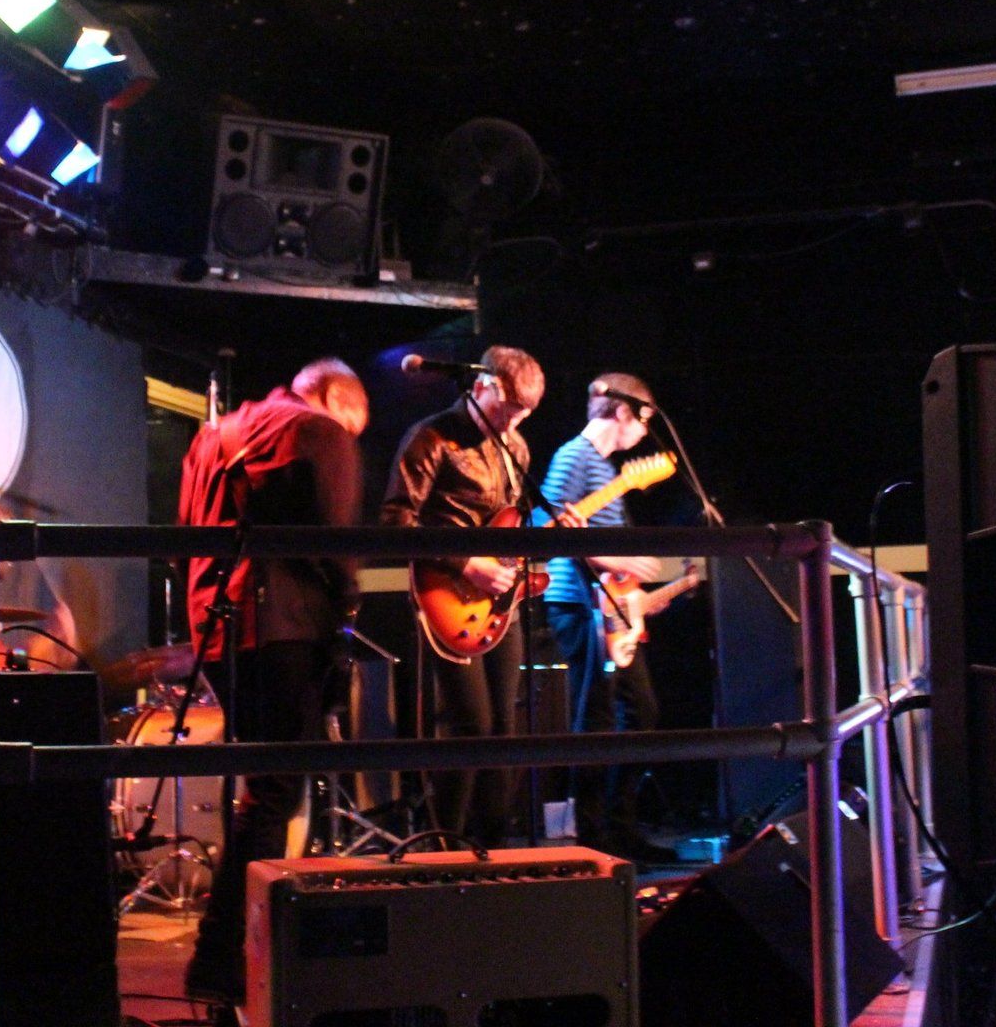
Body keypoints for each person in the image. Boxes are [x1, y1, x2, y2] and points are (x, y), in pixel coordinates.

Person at [177, 358, 369, 1007]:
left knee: (264, 787)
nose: (352, 440)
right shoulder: (318, 430)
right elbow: (335, 540)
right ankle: (222, 958)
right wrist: (347, 611)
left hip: (218, 624)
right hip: (284, 624)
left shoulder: (212, 436)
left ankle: (234, 953)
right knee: (276, 791)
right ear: (333, 396)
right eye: (354, 425)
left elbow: (185, 541)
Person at [381, 345, 544, 846]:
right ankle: (443, 845)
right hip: (445, 594)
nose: (512, 423)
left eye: (524, 415)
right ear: (480, 388)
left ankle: (492, 848)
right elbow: (393, 522)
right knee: (470, 725)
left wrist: (540, 551)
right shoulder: (431, 438)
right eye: (506, 410)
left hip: (500, 602)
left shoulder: (516, 450)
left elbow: (512, 525)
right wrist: (465, 563)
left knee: (504, 730)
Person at [536, 372, 677, 862]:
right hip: (577, 603)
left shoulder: (604, 468)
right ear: (622, 412)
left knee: (640, 711)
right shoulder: (574, 457)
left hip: (608, 609)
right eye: (643, 420)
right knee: (595, 715)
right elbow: (544, 528)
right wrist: (619, 561)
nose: (643, 432)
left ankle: (619, 828)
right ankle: (593, 838)